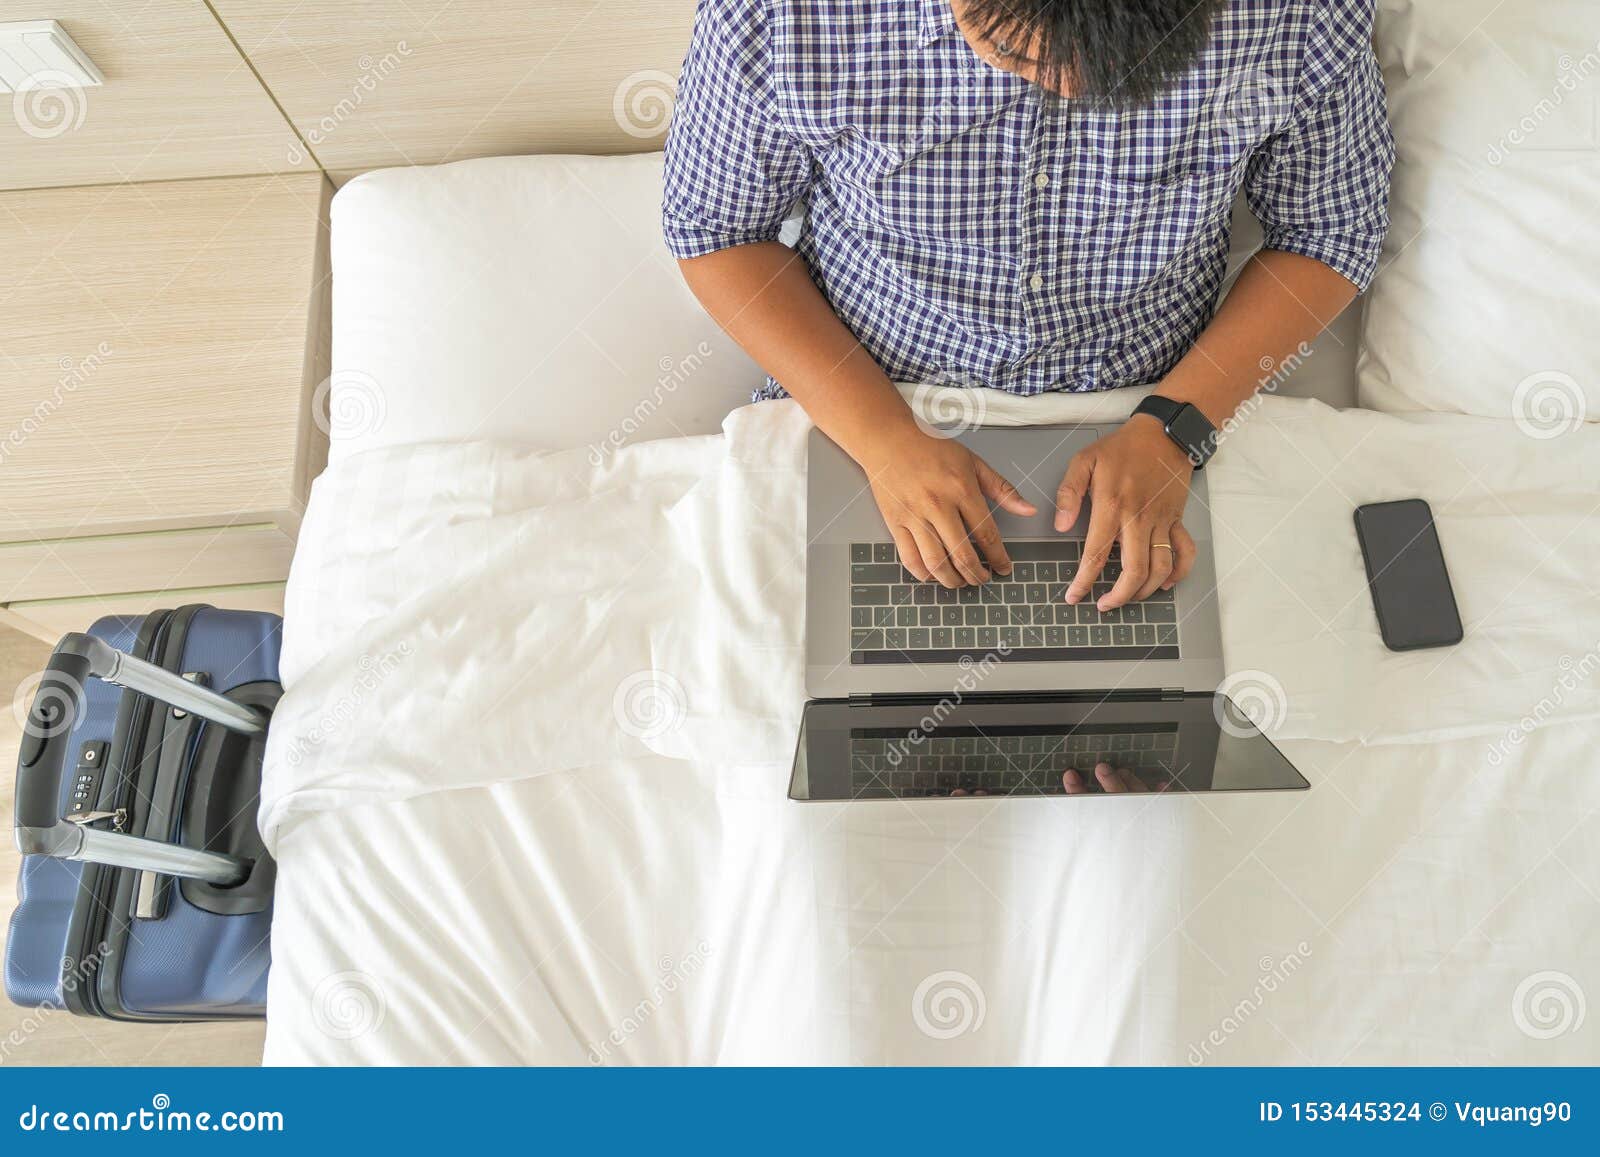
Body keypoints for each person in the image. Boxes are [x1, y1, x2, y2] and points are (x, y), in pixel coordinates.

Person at [664, 0, 1393, 611]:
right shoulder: (784, 15)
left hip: (1160, 415)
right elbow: (718, 232)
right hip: (860, 408)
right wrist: (885, 440)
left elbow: (1329, 231)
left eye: (1121, 69)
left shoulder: (1299, 14)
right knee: (793, 743)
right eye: (1018, 50)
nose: (1067, 86)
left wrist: (1177, 427)